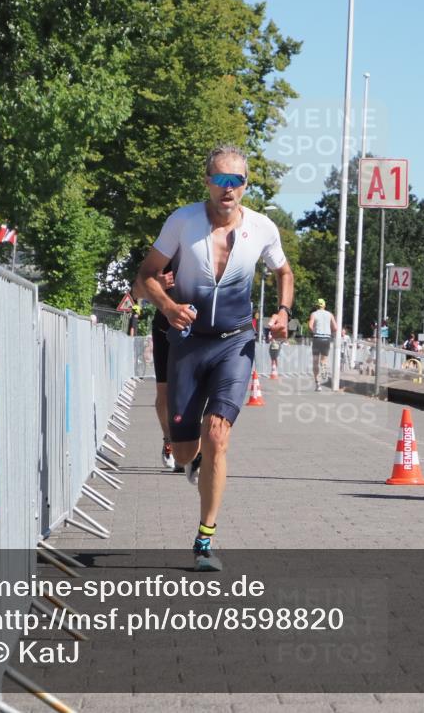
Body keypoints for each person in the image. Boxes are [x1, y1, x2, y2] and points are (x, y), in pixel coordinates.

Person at [136, 144, 294, 571]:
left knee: (218, 433)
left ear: (246, 185)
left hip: (235, 343)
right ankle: (195, 462)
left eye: (236, 180)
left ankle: (204, 540)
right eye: (220, 179)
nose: (228, 188)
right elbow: (146, 275)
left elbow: (284, 271)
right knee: (186, 451)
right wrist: (169, 308)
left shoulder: (262, 228)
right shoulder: (182, 221)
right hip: (188, 342)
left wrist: (282, 312)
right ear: (207, 180)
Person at [132, 268, 183, 472]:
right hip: (164, 331)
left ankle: (190, 445)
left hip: (196, 333)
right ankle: (169, 439)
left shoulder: (208, 248)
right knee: (164, 393)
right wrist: (155, 285)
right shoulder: (163, 254)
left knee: (193, 391)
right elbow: (136, 292)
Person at [308, 298, 337, 391]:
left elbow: (310, 326)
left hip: (317, 338)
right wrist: (330, 332)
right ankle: (324, 366)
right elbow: (335, 327)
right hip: (327, 338)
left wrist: (313, 332)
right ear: (324, 305)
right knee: (323, 360)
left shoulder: (314, 314)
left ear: (317, 305)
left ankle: (318, 384)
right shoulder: (330, 314)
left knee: (315, 361)